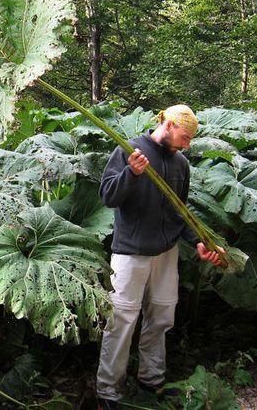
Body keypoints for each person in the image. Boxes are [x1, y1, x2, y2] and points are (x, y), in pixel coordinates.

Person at [95, 104, 224, 410]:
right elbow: (107, 196)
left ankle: (151, 380)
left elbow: (180, 214)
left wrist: (198, 243)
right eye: (184, 137)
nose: (187, 144)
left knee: (162, 318)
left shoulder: (180, 164)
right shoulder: (130, 150)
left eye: (191, 139)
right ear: (167, 126)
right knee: (121, 321)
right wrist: (131, 173)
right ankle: (107, 393)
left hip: (167, 253)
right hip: (130, 254)